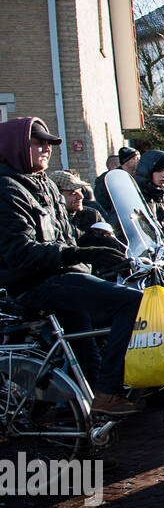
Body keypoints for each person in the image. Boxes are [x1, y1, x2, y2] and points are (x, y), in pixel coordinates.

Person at [0, 117, 142, 414]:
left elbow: (66, 234)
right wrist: (81, 254)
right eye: (37, 143)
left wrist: (97, 238)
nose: (46, 149)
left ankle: (90, 437)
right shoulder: (7, 190)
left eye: (48, 144)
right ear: (15, 147)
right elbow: (20, 251)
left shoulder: (45, 183)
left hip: (63, 275)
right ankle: (108, 392)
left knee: (87, 355)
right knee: (131, 302)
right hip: (36, 282)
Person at [50, 169, 125, 256]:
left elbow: (113, 247)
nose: (81, 196)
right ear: (55, 196)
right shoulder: (48, 220)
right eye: (72, 193)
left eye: (80, 191)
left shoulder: (91, 215)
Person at [95, 146, 139, 230]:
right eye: (135, 158)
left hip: (136, 222)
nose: (138, 161)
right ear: (126, 161)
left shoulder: (140, 177)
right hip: (117, 224)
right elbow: (103, 204)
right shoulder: (107, 179)